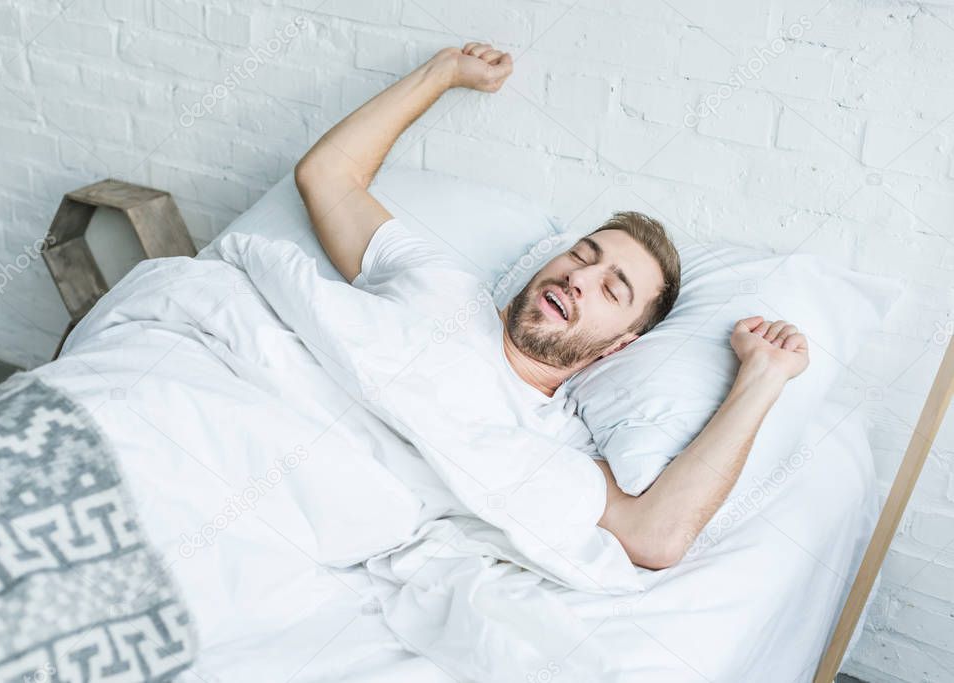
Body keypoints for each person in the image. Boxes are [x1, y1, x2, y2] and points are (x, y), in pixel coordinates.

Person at [293, 42, 809, 570]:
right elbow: (326, 177)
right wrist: (441, 73)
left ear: (620, 345)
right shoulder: (439, 281)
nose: (580, 276)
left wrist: (762, 378)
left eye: (612, 290)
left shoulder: (553, 437)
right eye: (583, 255)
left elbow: (656, 536)